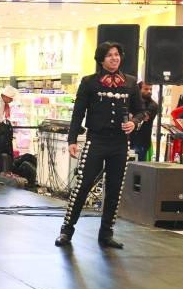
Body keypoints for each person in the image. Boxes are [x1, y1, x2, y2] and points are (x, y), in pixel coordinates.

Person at [56, 42, 143, 249]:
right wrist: (71, 140)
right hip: (96, 140)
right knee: (82, 186)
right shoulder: (89, 82)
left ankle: (106, 234)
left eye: (117, 54)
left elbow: (141, 111)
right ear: (101, 59)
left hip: (120, 143)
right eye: (110, 55)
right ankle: (66, 231)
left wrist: (135, 122)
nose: (114, 58)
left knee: (114, 189)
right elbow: (78, 113)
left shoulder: (130, 83)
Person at [131, 81, 159, 162]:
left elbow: (144, 117)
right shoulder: (132, 102)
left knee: (138, 167)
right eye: (146, 89)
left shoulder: (153, 105)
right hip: (128, 138)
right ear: (139, 90)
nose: (149, 91)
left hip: (142, 140)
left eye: (150, 89)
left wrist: (134, 116)